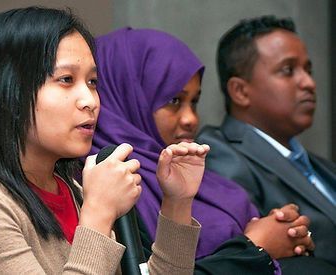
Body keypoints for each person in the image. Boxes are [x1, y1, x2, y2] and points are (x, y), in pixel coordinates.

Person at [0, 7, 208, 274]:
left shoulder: (73, 190)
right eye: (66, 79)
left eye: (93, 82)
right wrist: (99, 212)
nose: (90, 101)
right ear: (8, 91)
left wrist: (177, 202)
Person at [91, 27, 336, 274]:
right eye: (174, 100)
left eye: (194, 102)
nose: (190, 119)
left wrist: (287, 232)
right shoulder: (108, 181)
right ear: (127, 95)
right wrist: (255, 248)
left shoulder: (202, 178)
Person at [197, 15, 336, 267]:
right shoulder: (219, 153)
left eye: (308, 70)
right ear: (240, 91)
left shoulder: (319, 164)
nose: (309, 83)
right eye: (288, 70)